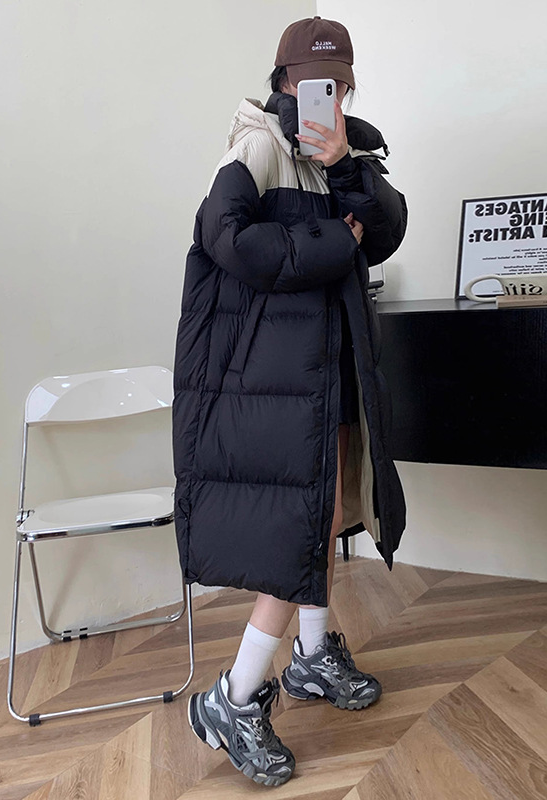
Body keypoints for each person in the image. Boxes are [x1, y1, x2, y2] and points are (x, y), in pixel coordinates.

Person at [172, 16, 407, 788]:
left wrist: (347, 171)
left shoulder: (343, 154)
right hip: (275, 379)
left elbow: (387, 228)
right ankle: (235, 696)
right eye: (311, 83)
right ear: (282, 82)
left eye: (337, 85)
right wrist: (338, 240)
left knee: (329, 512)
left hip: (329, 370)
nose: (324, 96)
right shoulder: (257, 149)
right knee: (304, 525)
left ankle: (309, 656)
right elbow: (230, 241)